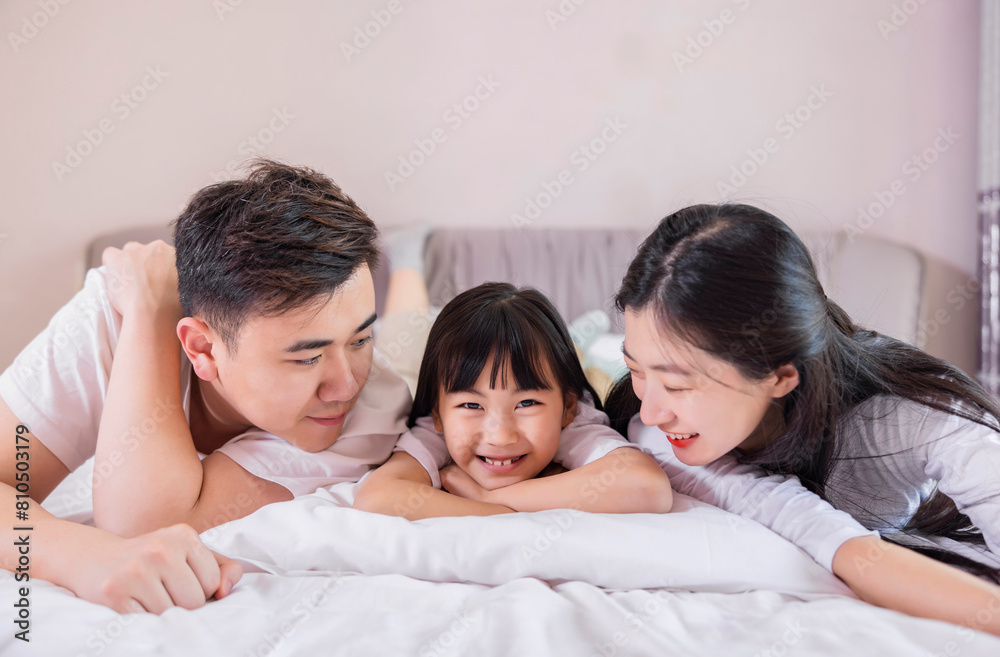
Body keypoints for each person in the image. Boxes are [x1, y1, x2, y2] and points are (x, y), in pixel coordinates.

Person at [0, 160, 411, 613]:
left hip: (411, 362)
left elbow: (143, 527)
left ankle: (411, 269)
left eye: (360, 339)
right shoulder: (117, 311)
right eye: (306, 358)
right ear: (202, 347)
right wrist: (75, 554)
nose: (344, 385)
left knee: (420, 330)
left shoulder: (374, 409)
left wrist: (150, 318)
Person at [605, 202, 1000, 635]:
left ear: (779, 376)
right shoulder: (643, 430)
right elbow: (805, 524)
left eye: (678, 385)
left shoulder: (909, 421)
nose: (651, 411)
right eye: (637, 370)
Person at [354, 281, 673, 518]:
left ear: (568, 408)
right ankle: (409, 261)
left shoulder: (573, 418)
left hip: (577, 378)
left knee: (588, 371)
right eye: (472, 405)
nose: (500, 436)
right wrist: (498, 515)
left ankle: (578, 343)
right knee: (402, 348)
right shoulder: (438, 425)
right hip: (419, 377)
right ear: (438, 416)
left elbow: (648, 486)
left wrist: (486, 497)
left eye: (527, 404)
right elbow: (376, 496)